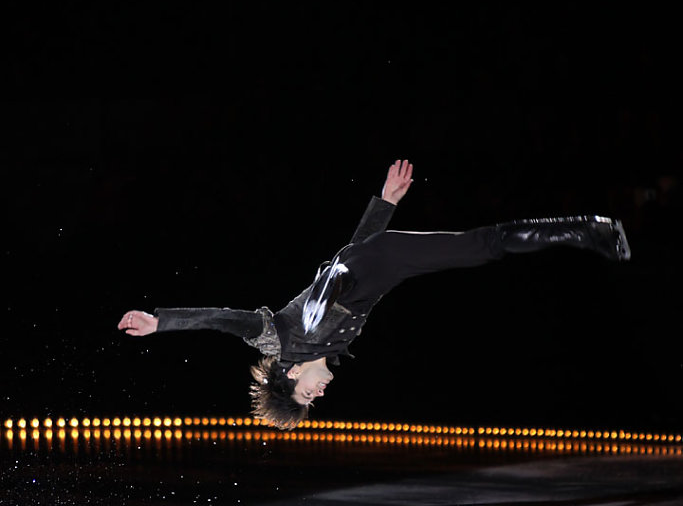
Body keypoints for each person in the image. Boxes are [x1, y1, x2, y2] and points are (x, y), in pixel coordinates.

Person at [118, 160, 630, 429]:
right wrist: (384, 204)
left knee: (485, 246)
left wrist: (161, 322)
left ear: (290, 376)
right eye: (313, 402)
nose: (318, 395)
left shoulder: (278, 339)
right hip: (376, 258)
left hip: (378, 259)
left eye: (305, 395)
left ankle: (593, 229)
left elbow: (222, 319)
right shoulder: (326, 346)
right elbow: (352, 257)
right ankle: (592, 231)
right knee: (484, 248)